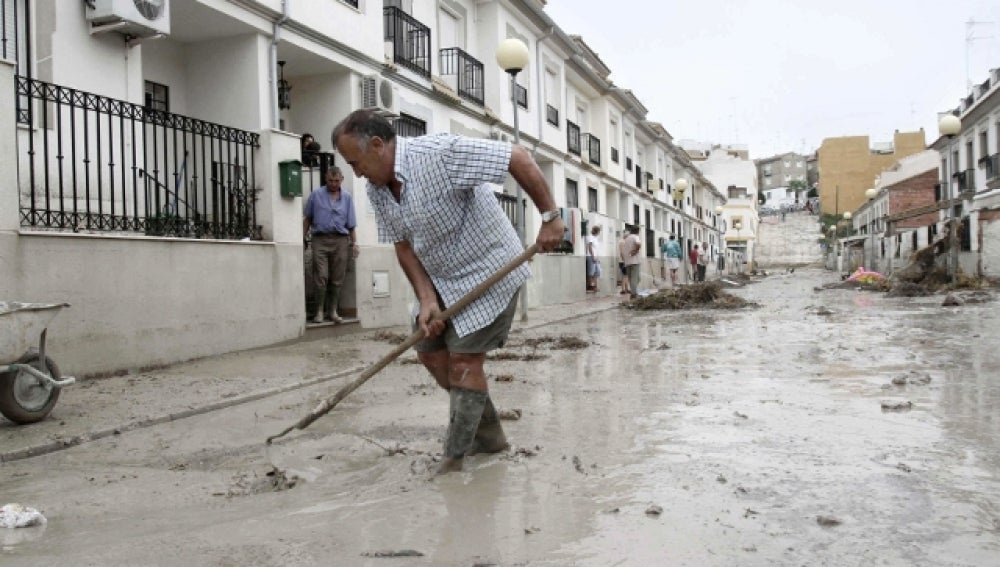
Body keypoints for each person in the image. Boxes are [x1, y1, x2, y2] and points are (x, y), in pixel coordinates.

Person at [331, 109, 565, 475]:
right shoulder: (377, 189)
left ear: (377, 145)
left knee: (464, 362)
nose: (356, 173)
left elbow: (517, 157)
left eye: (356, 163)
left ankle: (454, 459)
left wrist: (551, 217)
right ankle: (489, 438)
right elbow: (403, 244)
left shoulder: (439, 154)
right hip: (440, 279)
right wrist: (426, 299)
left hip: (489, 270)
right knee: (430, 354)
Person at [303, 167, 359, 324]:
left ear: (341, 179)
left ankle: (333, 310)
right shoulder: (316, 195)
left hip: (341, 240)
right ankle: (319, 311)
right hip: (320, 239)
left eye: (336, 181)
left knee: (337, 277)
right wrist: (302, 238)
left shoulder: (347, 197)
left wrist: (355, 243)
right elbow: (307, 218)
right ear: (325, 179)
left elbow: (352, 224)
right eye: (330, 181)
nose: (333, 184)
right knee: (321, 275)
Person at [622, 225, 642, 298]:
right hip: (635, 261)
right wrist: (635, 251)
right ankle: (634, 294)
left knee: (632, 278)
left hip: (628, 261)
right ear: (637, 231)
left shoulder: (627, 238)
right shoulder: (635, 237)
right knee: (636, 278)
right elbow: (638, 244)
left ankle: (633, 291)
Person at [585, 225, 601, 292]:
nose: (599, 233)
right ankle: (591, 285)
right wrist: (593, 256)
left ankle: (594, 285)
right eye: (598, 232)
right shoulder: (590, 237)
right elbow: (590, 247)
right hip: (591, 256)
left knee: (597, 271)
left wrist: (597, 257)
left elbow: (596, 248)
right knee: (591, 272)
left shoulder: (595, 238)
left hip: (596, 257)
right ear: (596, 231)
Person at [618, 230, 632, 295]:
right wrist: (625, 260)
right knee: (625, 275)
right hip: (623, 261)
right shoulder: (622, 242)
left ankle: (627, 289)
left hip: (625, 260)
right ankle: (623, 289)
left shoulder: (625, 241)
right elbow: (622, 252)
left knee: (626, 275)